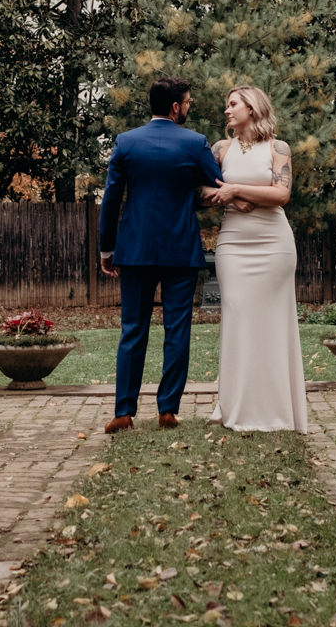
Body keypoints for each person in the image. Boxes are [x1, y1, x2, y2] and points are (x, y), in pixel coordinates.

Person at [98, 76, 225, 434]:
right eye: (187, 101)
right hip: (180, 250)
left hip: (134, 248)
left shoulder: (126, 142)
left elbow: (110, 200)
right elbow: (219, 185)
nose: (190, 106)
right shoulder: (194, 142)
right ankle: (168, 409)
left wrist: (107, 249)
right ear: (175, 107)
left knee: (133, 329)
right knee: (177, 329)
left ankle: (123, 412)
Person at [205, 86, 309, 433]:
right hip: (233, 243)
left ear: (252, 107)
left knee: (272, 324)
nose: (227, 111)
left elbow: (281, 194)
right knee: (238, 317)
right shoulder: (220, 149)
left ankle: (275, 408)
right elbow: (199, 190)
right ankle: (235, 404)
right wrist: (233, 201)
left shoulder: (277, 148)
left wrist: (236, 190)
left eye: (232, 104)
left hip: (274, 243)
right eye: (227, 104)